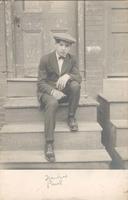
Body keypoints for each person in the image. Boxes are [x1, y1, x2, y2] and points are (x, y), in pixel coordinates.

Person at [37, 32, 82, 162]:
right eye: (61, 45)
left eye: (67, 46)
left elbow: (79, 77)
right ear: (56, 45)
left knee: (75, 86)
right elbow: (40, 83)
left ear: (69, 48)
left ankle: (71, 117)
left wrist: (68, 76)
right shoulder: (45, 59)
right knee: (52, 104)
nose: (64, 48)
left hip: (64, 92)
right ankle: (49, 143)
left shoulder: (72, 59)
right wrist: (52, 92)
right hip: (48, 92)